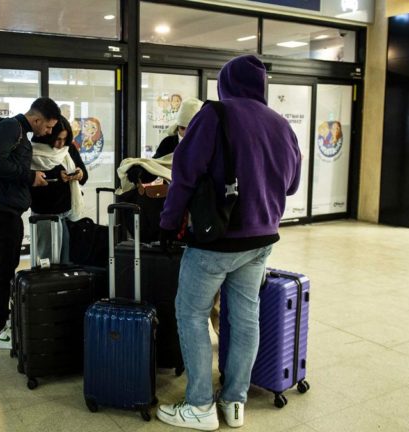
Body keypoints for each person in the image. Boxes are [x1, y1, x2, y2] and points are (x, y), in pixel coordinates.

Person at [156, 55, 301, 430]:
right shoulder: (281, 124)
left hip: (215, 240)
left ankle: (200, 405)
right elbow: (291, 184)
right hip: (262, 238)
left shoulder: (214, 114)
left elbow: (184, 174)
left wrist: (169, 223)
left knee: (191, 315)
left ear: (226, 83)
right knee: (244, 317)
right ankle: (234, 402)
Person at [0, 97, 60, 349]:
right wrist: (29, 176)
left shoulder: (19, 132)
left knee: (6, 267)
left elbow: (9, 165)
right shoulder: (10, 128)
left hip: (7, 210)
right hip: (0, 210)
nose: (47, 132)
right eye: (47, 127)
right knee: (2, 271)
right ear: (37, 120)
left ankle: (0, 324)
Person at [29, 116, 88, 263]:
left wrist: (79, 174)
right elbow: (33, 183)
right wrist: (57, 177)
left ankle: (62, 285)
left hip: (67, 213)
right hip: (45, 214)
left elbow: (84, 175)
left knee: (66, 259)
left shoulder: (69, 149)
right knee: (47, 260)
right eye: (57, 139)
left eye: (64, 139)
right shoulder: (35, 151)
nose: (61, 144)